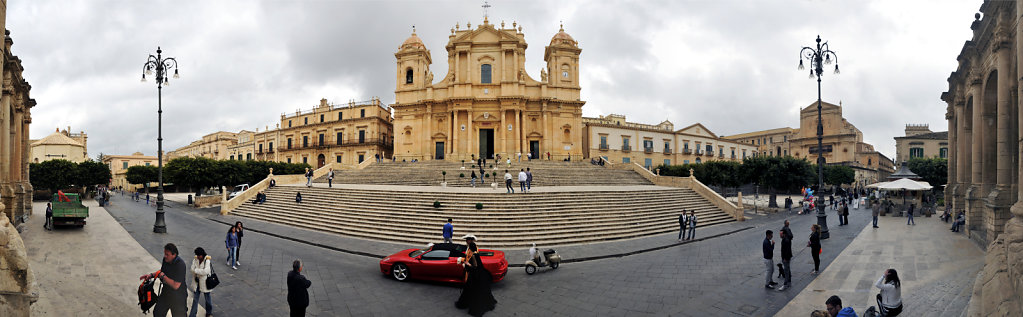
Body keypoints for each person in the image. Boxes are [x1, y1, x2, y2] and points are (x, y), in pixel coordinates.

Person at [139, 243, 188, 317]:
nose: (165, 256)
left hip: (178, 297)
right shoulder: (166, 260)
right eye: (164, 254)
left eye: (167, 254)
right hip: (166, 293)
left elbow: (176, 285)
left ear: (174, 255)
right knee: (157, 313)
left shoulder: (180, 265)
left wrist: (164, 277)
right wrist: (151, 275)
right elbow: (161, 271)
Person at [455, 240, 497, 316]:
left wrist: (467, 264)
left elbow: (475, 267)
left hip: (475, 276)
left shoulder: (474, 256)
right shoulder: (476, 254)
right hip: (480, 275)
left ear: (470, 249)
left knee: (471, 290)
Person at [189, 247, 213, 317]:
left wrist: (196, 270)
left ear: (202, 254)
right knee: (195, 300)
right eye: (197, 255)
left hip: (205, 283)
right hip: (196, 282)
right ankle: (192, 315)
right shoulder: (195, 259)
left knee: (208, 299)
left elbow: (206, 271)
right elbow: (191, 269)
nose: (198, 257)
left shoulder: (207, 260)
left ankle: (209, 312)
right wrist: (200, 271)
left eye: (199, 255)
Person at [779, 221, 793, 291]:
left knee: (786, 270)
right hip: (787, 257)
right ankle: (789, 281)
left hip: (786, 257)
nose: (780, 235)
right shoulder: (785, 239)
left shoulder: (785, 241)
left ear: (784, 234)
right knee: (788, 269)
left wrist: (785, 258)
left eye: (780, 234)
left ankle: (785, 284)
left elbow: (787, 250)